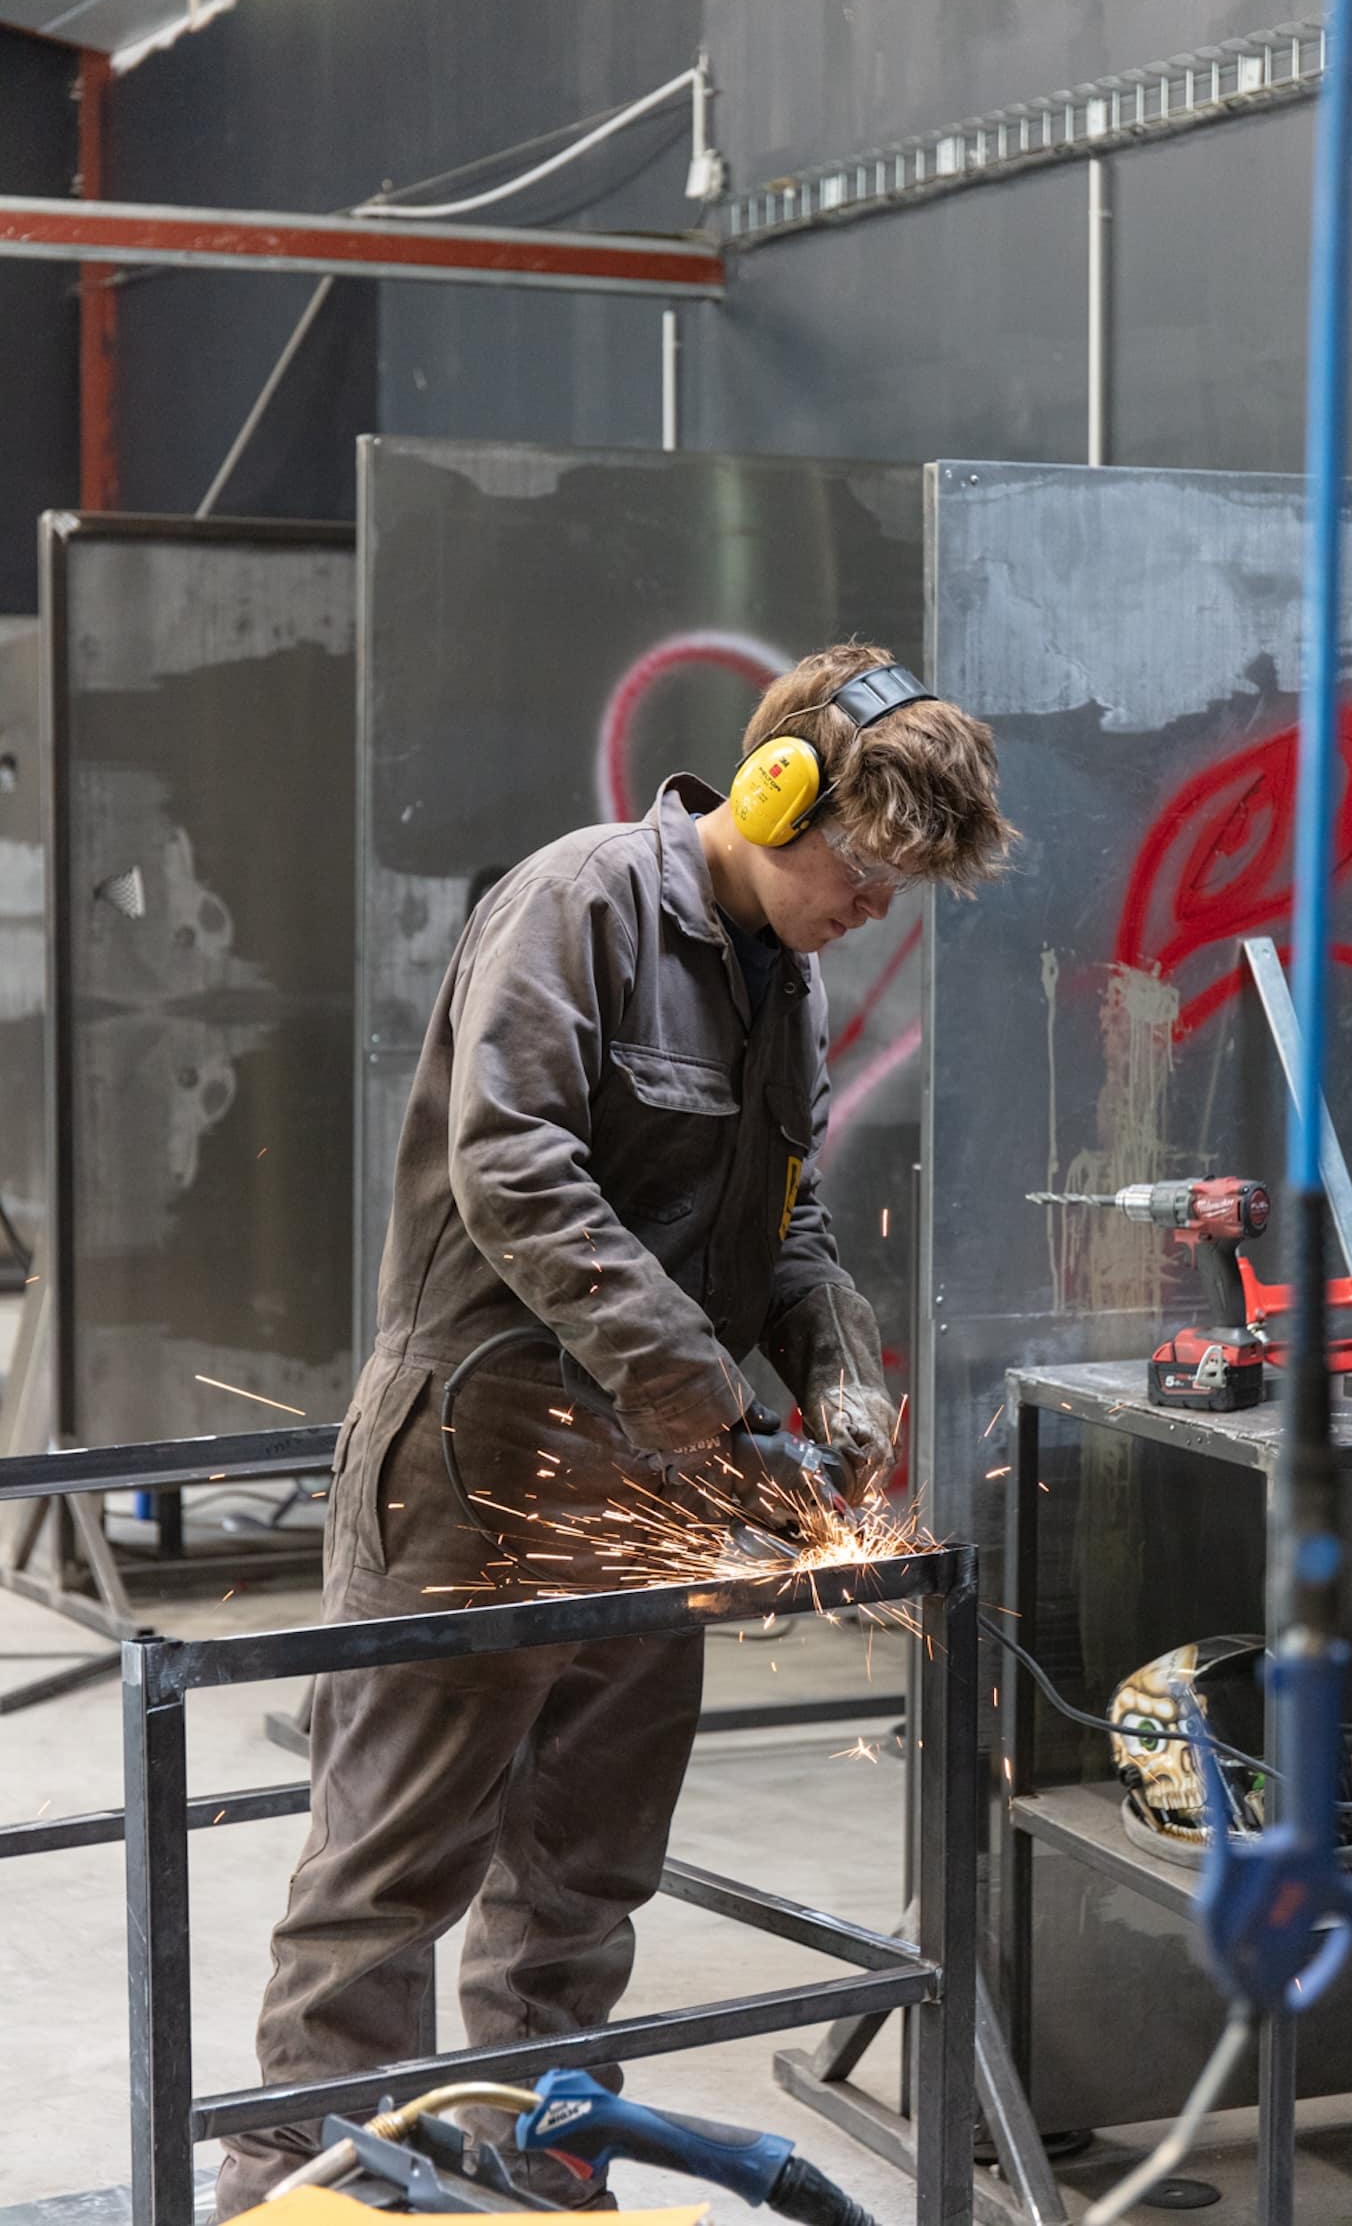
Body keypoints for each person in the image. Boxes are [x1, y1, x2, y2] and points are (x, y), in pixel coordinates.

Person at [215, 640, 1016, 2217]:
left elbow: (782, 1226)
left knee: (581, 1885)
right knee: (383, 1884)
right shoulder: (574, 906)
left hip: (653, 1495)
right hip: (474, 1477)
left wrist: (840, 1374)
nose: (875, 913)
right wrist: (722, 1408)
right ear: (780, 790)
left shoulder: (778, 980)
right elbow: (512, 1170)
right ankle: (297, 2188)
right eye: (866, 872)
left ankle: (531, 2168)